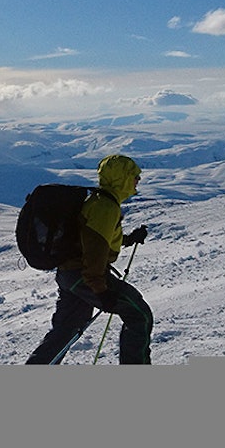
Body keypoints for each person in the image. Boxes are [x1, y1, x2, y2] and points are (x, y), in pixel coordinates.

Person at [26, 154, 153, 364]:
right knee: (139, 314)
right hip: (84, 275)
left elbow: (92, 238)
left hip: (69, 275)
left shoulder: (100, 200)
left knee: (66, 329)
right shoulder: (106, 207)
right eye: (134, 176)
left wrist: (128, 239)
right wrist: (101, 291)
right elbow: (95, 250)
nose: (137, 180)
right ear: (121, 178)